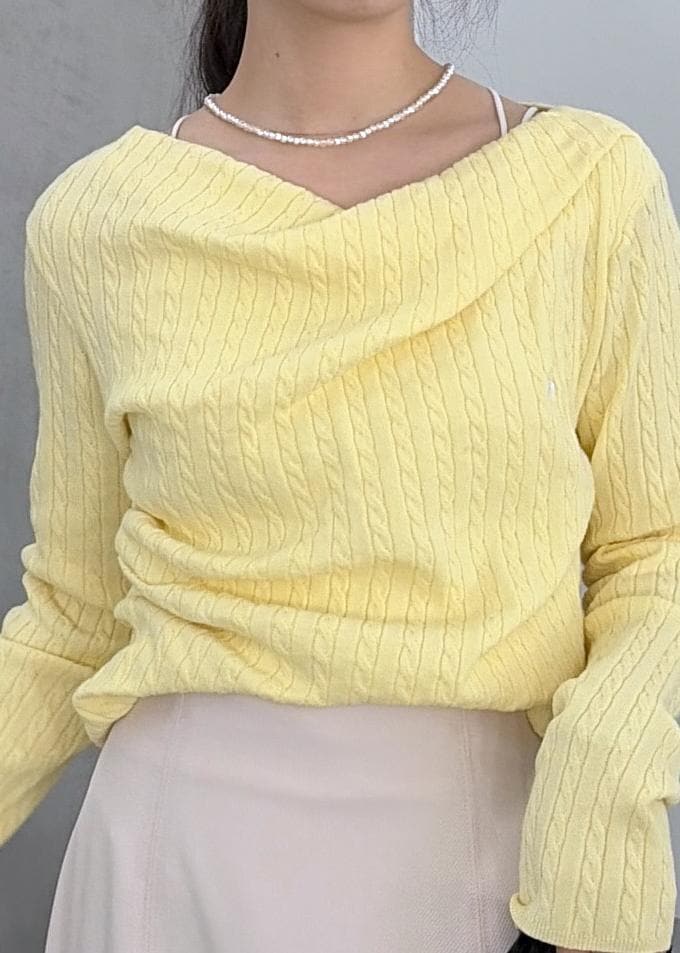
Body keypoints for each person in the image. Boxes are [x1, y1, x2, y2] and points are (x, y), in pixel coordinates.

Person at [1, 2, 678, 952]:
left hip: (487, 869)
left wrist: (599, 853)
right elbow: (75, 615)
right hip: (171, 861)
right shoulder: (96, 222)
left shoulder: (586, 186)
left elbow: (655, 558)